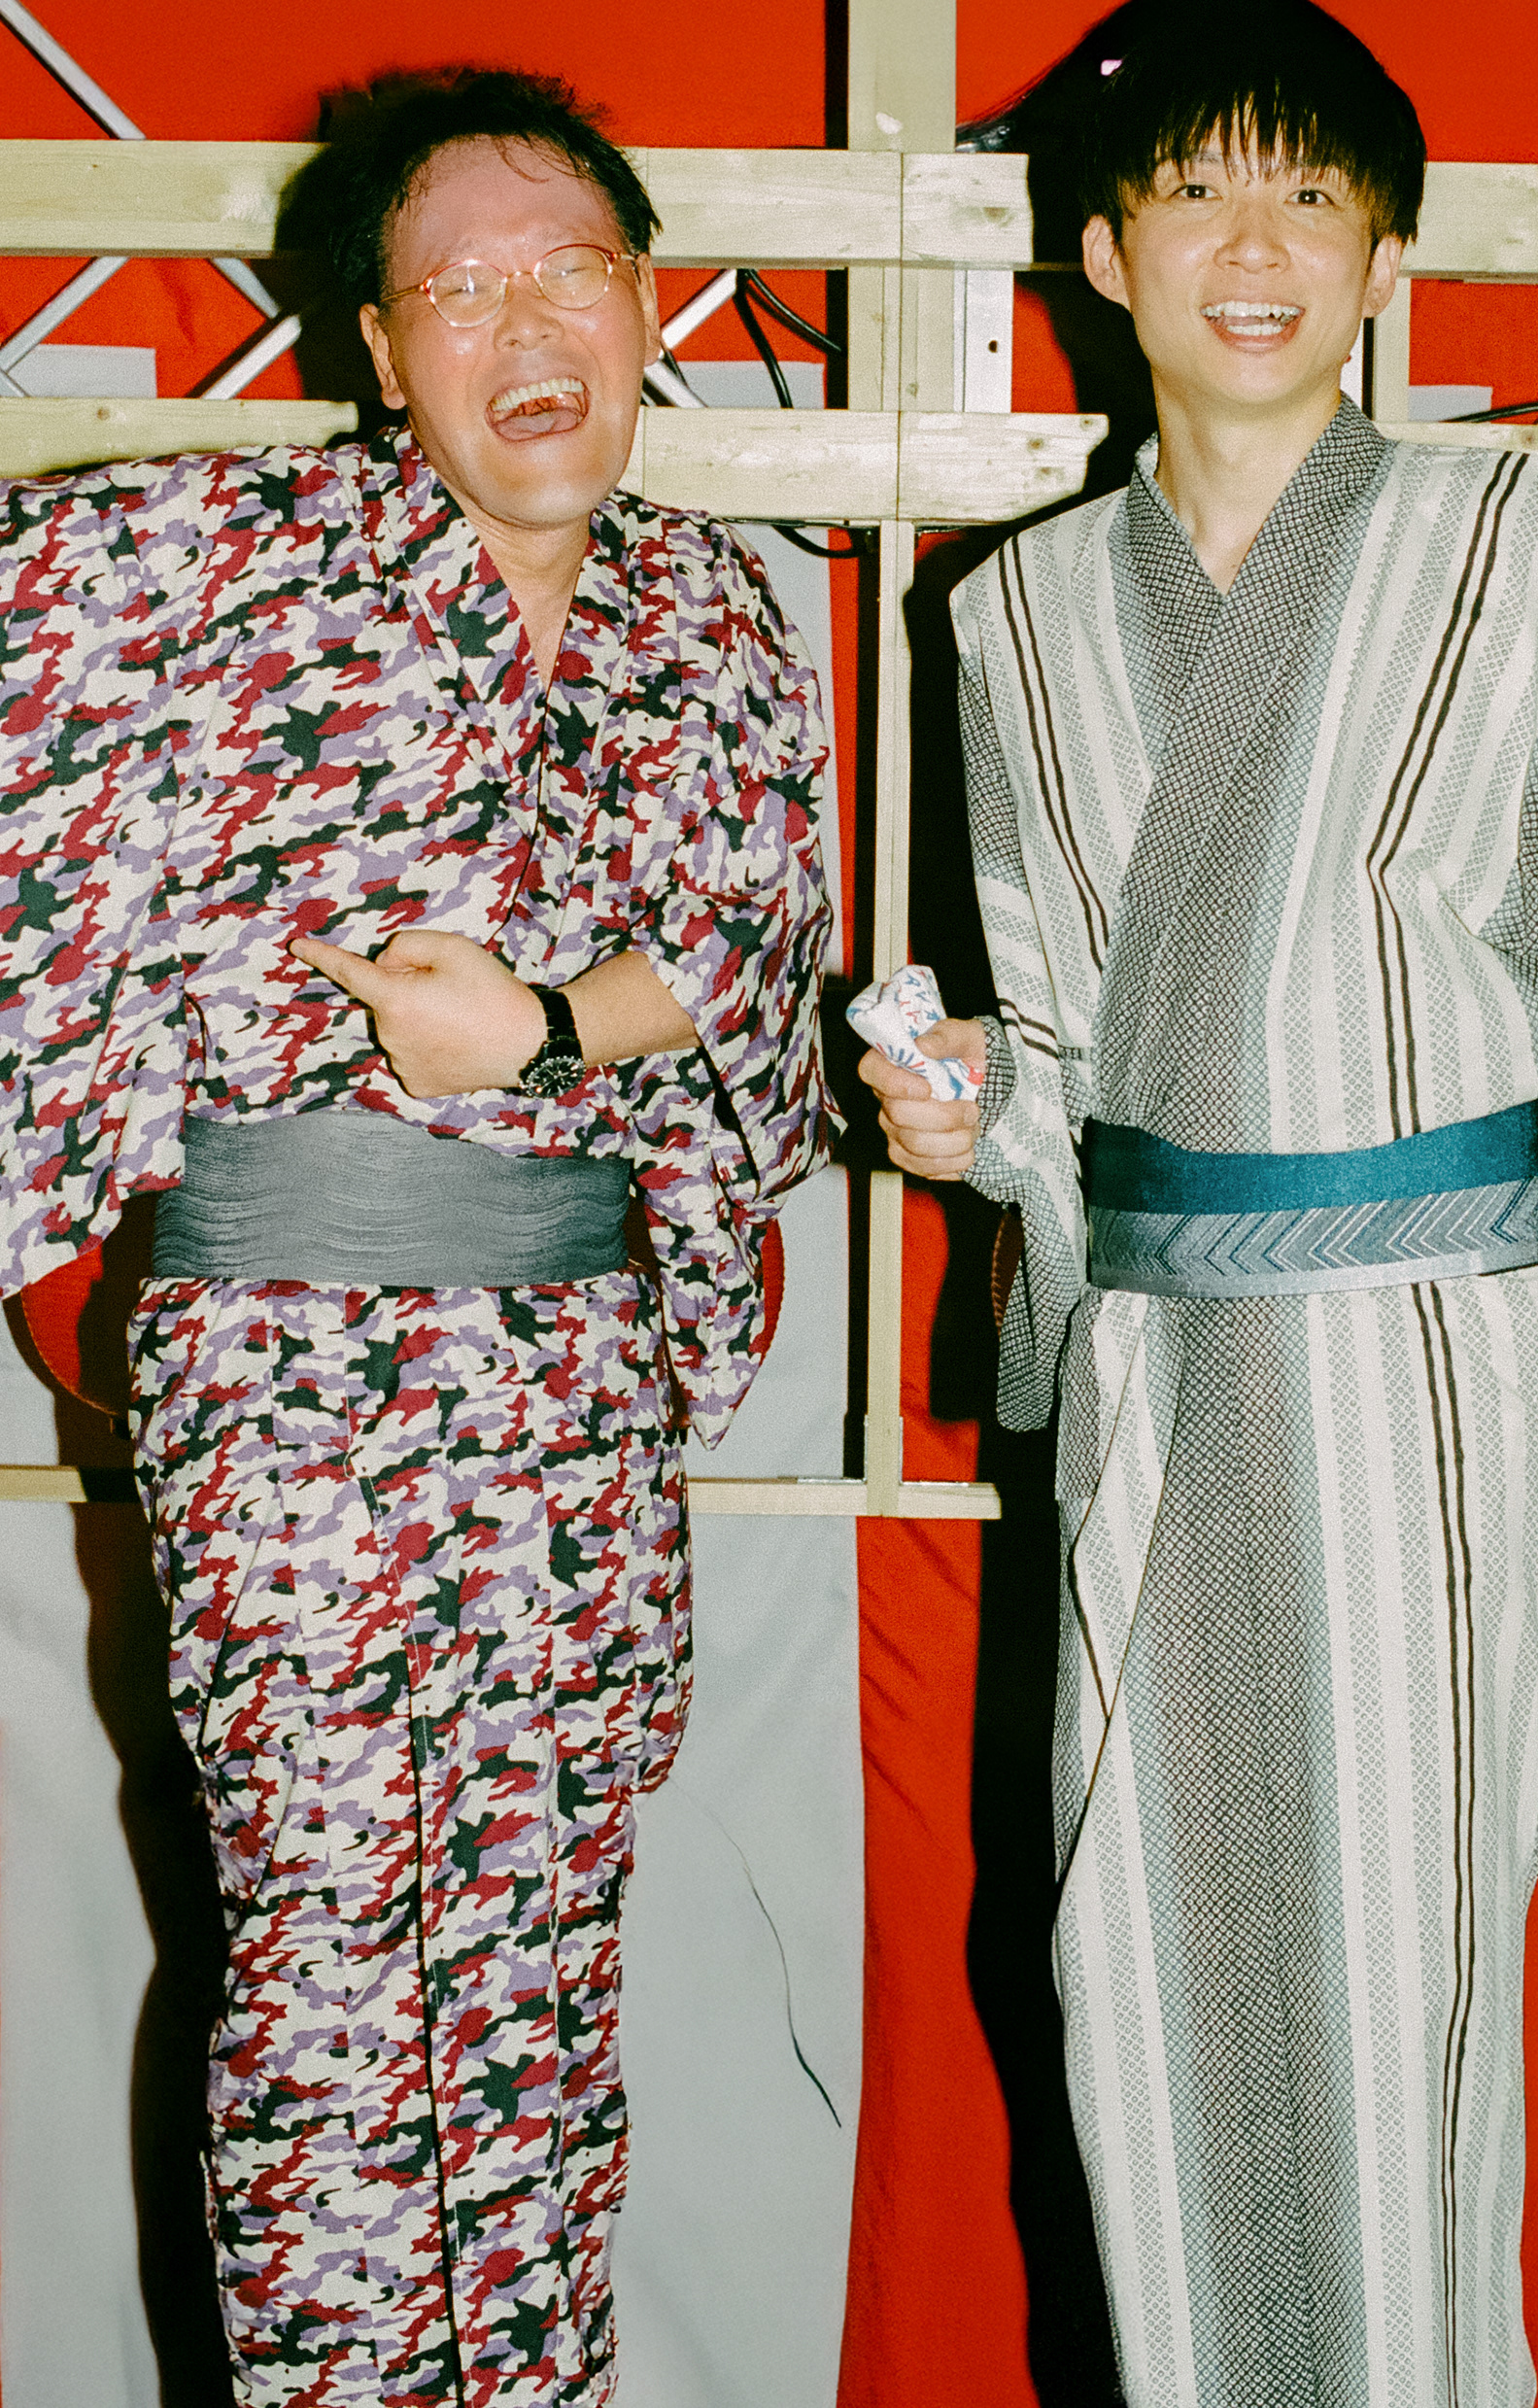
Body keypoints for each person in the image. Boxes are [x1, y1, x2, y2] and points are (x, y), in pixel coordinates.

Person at [860, 6, 1538, 2403]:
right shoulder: (1008, 623)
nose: (1258, 245)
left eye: (1312, 195)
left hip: (1435, 1376)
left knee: (1407, 1993)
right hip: (1158, 1383)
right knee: (1134, 1980)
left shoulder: (1534, 555)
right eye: (1199, 192)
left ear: (1387, 253)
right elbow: (1072, 1053)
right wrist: (973, 1115)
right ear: (1103, 253)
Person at [0, 67, 836, 2408]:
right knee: (343, 2007)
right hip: (299, 1374)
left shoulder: (716, 619)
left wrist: (555, 1021)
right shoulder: (197, 565)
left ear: (651, 308)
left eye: (572, 269)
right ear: (378, 353)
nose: (524, 324)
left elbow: (761, 960)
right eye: (455, 291)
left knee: (550, 1989)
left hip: (585, 1382)